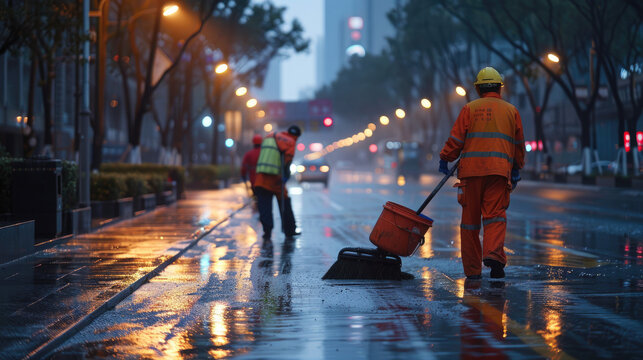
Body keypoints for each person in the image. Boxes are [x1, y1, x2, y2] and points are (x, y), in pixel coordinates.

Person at [439, 66, 525, 280]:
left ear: (478, 88)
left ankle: (473, 270)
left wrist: (445, 158)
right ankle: (494, 255)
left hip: (471, 174)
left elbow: (457, 139)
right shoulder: (511, 111)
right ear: (499, 88)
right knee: (495, 217)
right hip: (498, 173)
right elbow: (518, 145)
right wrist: (516, 168)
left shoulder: (470, 108)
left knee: (469, 223)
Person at [254, 125, 302, 241]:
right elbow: (287, 161)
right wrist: (286, 176)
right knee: (285, 203)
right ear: (297, 136)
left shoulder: (271, 136)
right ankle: (289, 230)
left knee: (265, 206)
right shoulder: (290, 142)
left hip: (261, 178)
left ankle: (267, 232)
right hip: (276, 180)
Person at [241, 134, 264, 198]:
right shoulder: (264, 153)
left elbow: (244, 167)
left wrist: (243, 176)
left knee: (255, 198)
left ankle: (256, 205)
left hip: (253, 181)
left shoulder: (249, 154)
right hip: (264, 181)